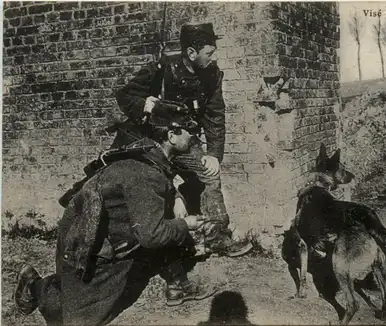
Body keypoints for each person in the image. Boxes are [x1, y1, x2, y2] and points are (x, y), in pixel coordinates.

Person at [14, 103, 218, 325]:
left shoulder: (144, 149)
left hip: (100, 232)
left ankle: (177, 283)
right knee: (80, 320)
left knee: (94, 304)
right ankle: (33, 285)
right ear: (171, 136)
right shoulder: (145, 173)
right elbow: (152, 235)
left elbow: (155, 180)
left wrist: (175, 195)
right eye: (190, 132)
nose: (195, 137)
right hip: (85, 240)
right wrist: (187, 224)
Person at [111, 22, 252, 258]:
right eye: (208, 52)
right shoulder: (160, 67)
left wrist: (214, 154)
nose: (212, 57)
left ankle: (215, 237)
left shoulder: (212, 75)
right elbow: (125, 95)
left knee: (209, 175)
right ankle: (167, 243)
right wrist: (143, 105)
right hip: (152, 140)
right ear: (191, 53)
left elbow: (215, 115)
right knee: (151, 186)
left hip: (184, 140)